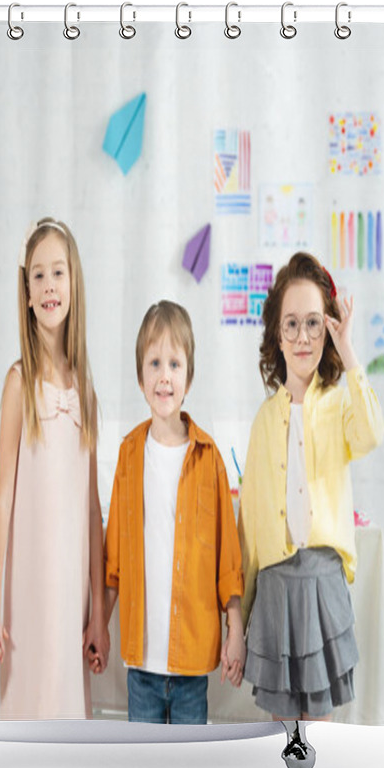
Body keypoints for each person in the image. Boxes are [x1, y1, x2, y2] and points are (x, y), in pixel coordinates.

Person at [238, 252, 384, 724]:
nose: (303, 337)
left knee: (320, 729)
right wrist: (238, 620)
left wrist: (349, 350)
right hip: (275, 586)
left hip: (323, 581)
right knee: (279, 732)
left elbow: (372, 432)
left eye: (314, 325)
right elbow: (251, 526)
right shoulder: (265, 420)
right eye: (292, 325)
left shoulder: (341, 405)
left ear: (328, 330)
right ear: (276, 336)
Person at [0, 217, 108, 720]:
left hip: (72, 590)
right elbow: (2, 500)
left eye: (58, 273)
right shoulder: (18, 383)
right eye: (38, 276)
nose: (49, 285)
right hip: (27, 591)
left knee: (67, 720)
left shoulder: (86, 391)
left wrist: (98, 613)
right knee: (30, 712)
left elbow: (92, 510)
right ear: (26, 292)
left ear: (73, 283)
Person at [104, 300, 245, 724]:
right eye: (154, 363)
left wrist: (235, 628)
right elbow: (113, 561)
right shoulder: (129, 454)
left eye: (174, 364)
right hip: (140, 668)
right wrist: (97, 625)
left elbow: (228, 559)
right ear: (140, 375)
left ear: (189, 376)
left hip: (192, 670)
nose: (164, 375)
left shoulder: (209, 459)